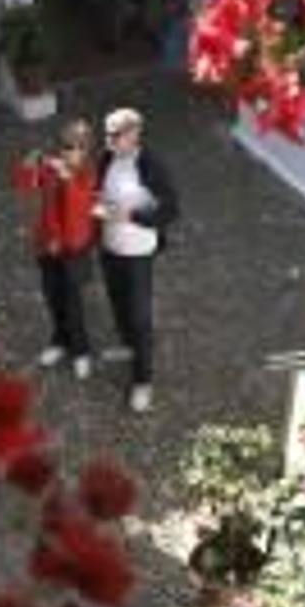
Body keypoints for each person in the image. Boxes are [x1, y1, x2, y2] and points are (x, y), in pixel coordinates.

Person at [95, 107, 179, 413]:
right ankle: (128, 346)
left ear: (134, 134)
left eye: (115, 135)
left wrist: (131, 215)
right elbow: (98, 190)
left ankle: (143, 381)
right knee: (117, 302)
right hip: (109, 247)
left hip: (138, 253)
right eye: (106, 134)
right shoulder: (106, 158)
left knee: (140, 316)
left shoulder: (150, 165)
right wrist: (98, 204)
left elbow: (170, 210)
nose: (108, 140)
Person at [13, 120, 99, 379]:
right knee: (52, 297)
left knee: (73, 302)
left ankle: (81, 351)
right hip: (48, 246)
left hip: (74, 248)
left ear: (85, 150)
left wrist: (68, 179)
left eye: (76, 147)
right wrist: (27, 166)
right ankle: (59, 341)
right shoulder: (52, 169)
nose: (69, 151)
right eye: (65, 146)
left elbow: (79, 208)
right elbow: (25, 185)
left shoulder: (88, 175)